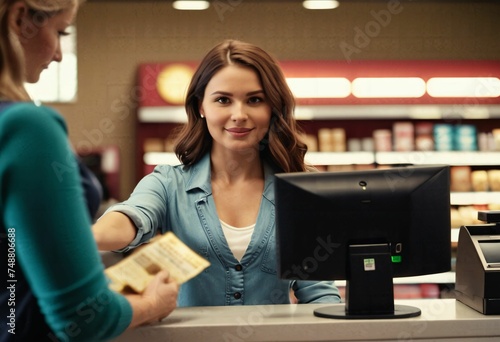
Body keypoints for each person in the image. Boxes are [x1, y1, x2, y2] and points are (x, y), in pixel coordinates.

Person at [93, 39, 341, 306]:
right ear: (201, 106)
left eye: (254, 100)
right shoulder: (168, 184)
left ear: (272, 107)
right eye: (223, 100)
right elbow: (131, 216)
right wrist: (83, 238)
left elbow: (318, 289)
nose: (239, 114)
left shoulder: (299, 189)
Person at [0, 1, 178, 341]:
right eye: (60, 32)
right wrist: (152, 303)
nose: (59, 56)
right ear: (21, 18)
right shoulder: (26, 128)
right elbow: (84, 319)